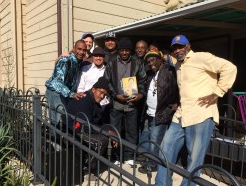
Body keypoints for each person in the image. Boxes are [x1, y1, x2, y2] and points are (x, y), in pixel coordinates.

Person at [152, 35, 237, 186]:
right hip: (182, 114)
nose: (177, 50)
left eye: (180, 46)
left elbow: (230, 67)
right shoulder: (177, 64)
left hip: (201, 115)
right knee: (166, 147)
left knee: (194, 158)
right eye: (174, 47)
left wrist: (218, 92)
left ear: (188, 46)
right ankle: (162, 184)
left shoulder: (202, 57)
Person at [104, 37, 147, 166]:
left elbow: (143, 80)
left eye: (127, 50)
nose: (124, 53)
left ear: (130, 51)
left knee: (132, 131)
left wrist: (141, 94)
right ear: (119, 51)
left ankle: (129, 156)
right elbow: (107, 81)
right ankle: (116, 155)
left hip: (132, 103)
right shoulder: (112, 63)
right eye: (122, 50)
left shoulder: (137, 62)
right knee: (115, 130)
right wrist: (116, 95)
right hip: (117, 103)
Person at [138, 50, 179, 174]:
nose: (151, 63)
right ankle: (146, 158)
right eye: (148, 61)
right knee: (146, 137)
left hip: (160, 113)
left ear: (159, 59)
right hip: (149, 113)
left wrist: (177, 103)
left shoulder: (169, 71)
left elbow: (178, 88)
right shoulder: (150, 74)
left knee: (155, 140)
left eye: (153, 60)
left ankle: (152, 164)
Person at [65, 77, 115, 173]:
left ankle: (93, 162)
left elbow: (99, 122)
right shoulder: (84, 100)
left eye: (104, 94)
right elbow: (87, 126)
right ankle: (90, 168)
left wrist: (109, 130)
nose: (102, 96)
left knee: (108, 135)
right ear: (93, 89)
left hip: (84, 126)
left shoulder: (95, 102)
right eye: (101, 92)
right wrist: (107, 132)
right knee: (102, 140)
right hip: (74, 128)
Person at [45, 39, 87, 124]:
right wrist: (72, 94)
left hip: (65, 92)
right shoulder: (65, 60)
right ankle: (54, 137)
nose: (81, 52)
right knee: (58, 120)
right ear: (74, 49)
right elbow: (57, 82)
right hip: (55, 92)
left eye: (84, 50)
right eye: (79, 49)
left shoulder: (78, 62)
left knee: (65, 118)